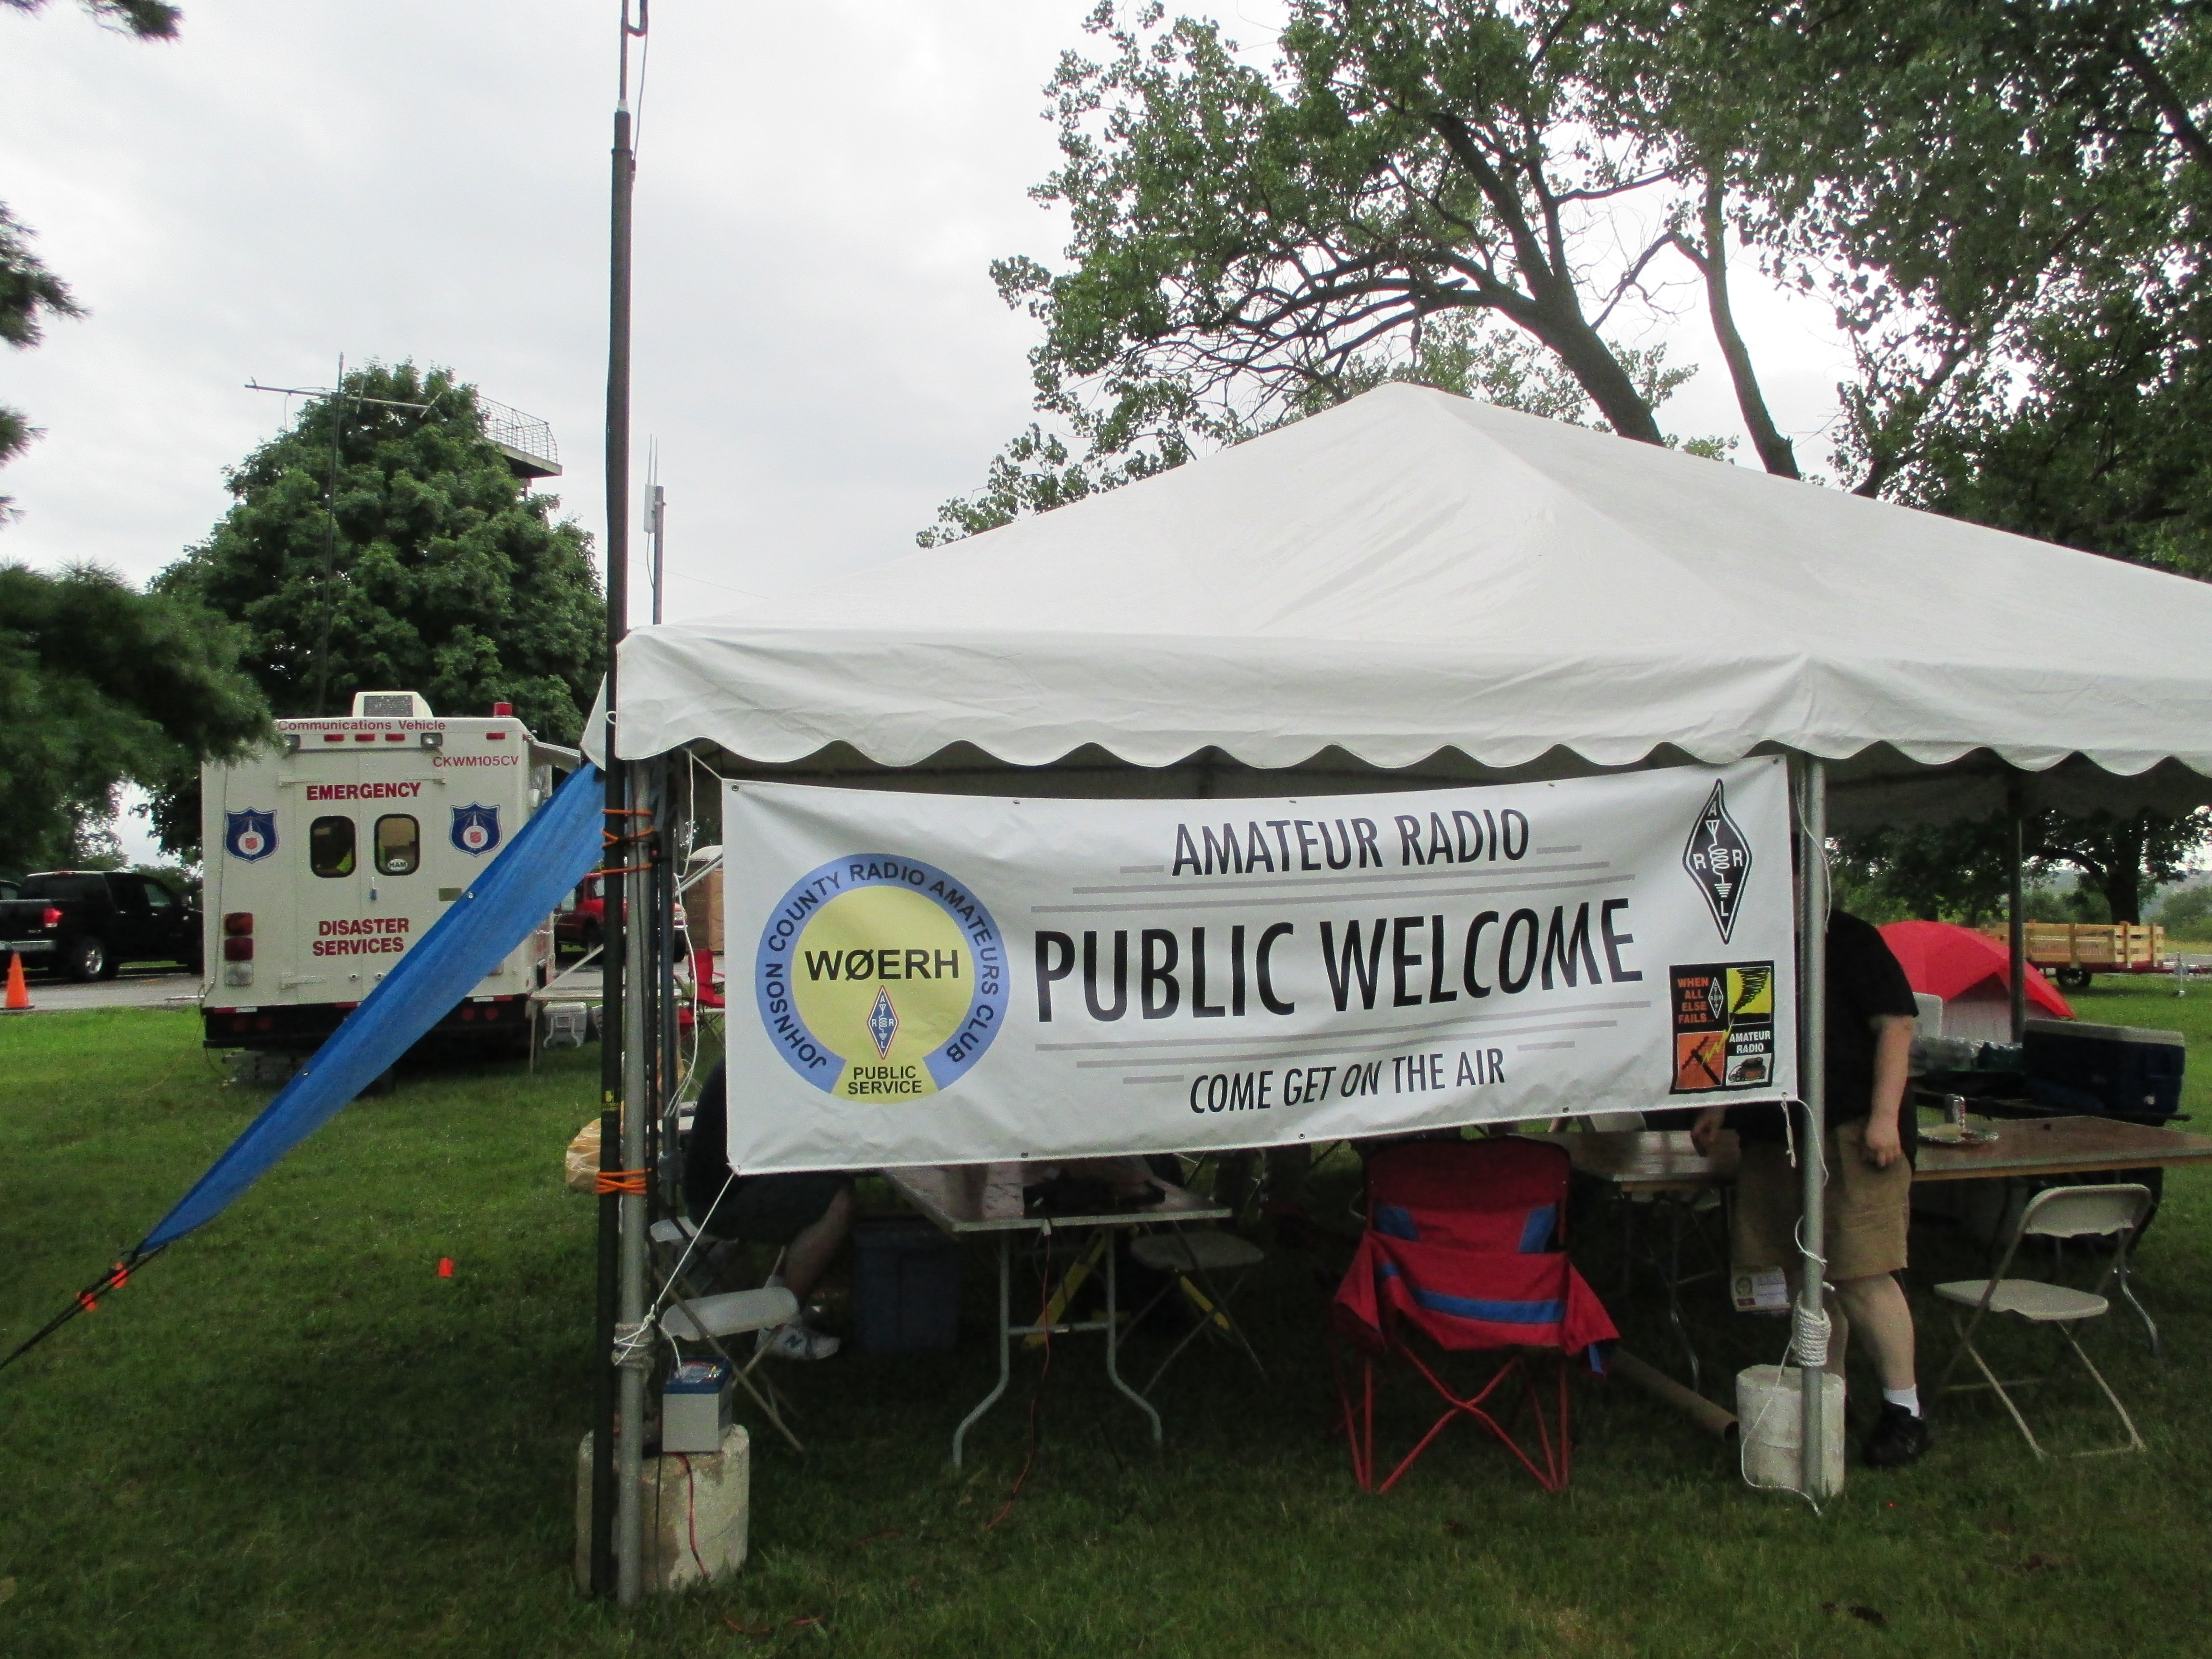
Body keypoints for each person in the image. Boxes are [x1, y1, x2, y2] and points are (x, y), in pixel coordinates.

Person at [1693, 909, 1931, 1468]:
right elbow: (1742, 1028)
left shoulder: (1849, 938)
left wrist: (1884, 1118)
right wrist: (1718, 1106)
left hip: (1851, 1128)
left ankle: (1905, 1412)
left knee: (1863, 1272)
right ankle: (1828, 1397)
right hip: (1775, 1133)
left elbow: (1897, 1025)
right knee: (1806, 1273)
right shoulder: (1751, 936)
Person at [683, 1060, 854, 1361]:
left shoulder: (756, 1057)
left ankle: (776, 1305)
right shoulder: (762, 1067)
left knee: (821, 1190)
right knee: (836, 1201)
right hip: (720, 1202)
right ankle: (779, 1328)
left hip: (722, 1191)